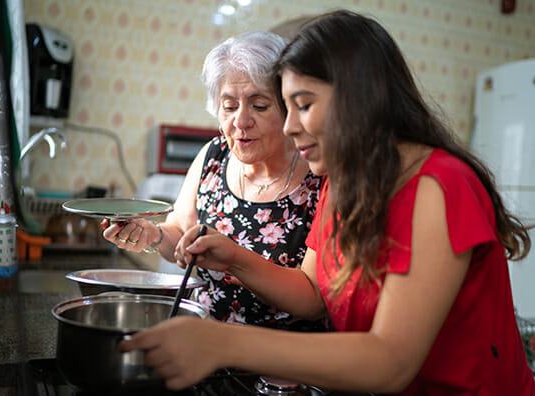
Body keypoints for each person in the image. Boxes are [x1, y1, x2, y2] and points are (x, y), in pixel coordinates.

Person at [117, 9, 535, 395]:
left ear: (358, 98)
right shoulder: (344, 181)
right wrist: (229, 257)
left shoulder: (440, 186)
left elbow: (390, 361)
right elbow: (315, 294)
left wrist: (226, 343)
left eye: (302, 104)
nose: (289, 126)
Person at [102, 30, 327, 331]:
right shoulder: (213, 157)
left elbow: (312, 300)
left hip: (281, 363)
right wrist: (153, 235)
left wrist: (235, 259)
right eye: (229, 106)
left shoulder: (319, 174)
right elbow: (181, 235)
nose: (241, 121)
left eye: (259, 106)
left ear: (288, 106)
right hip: (205, 345)